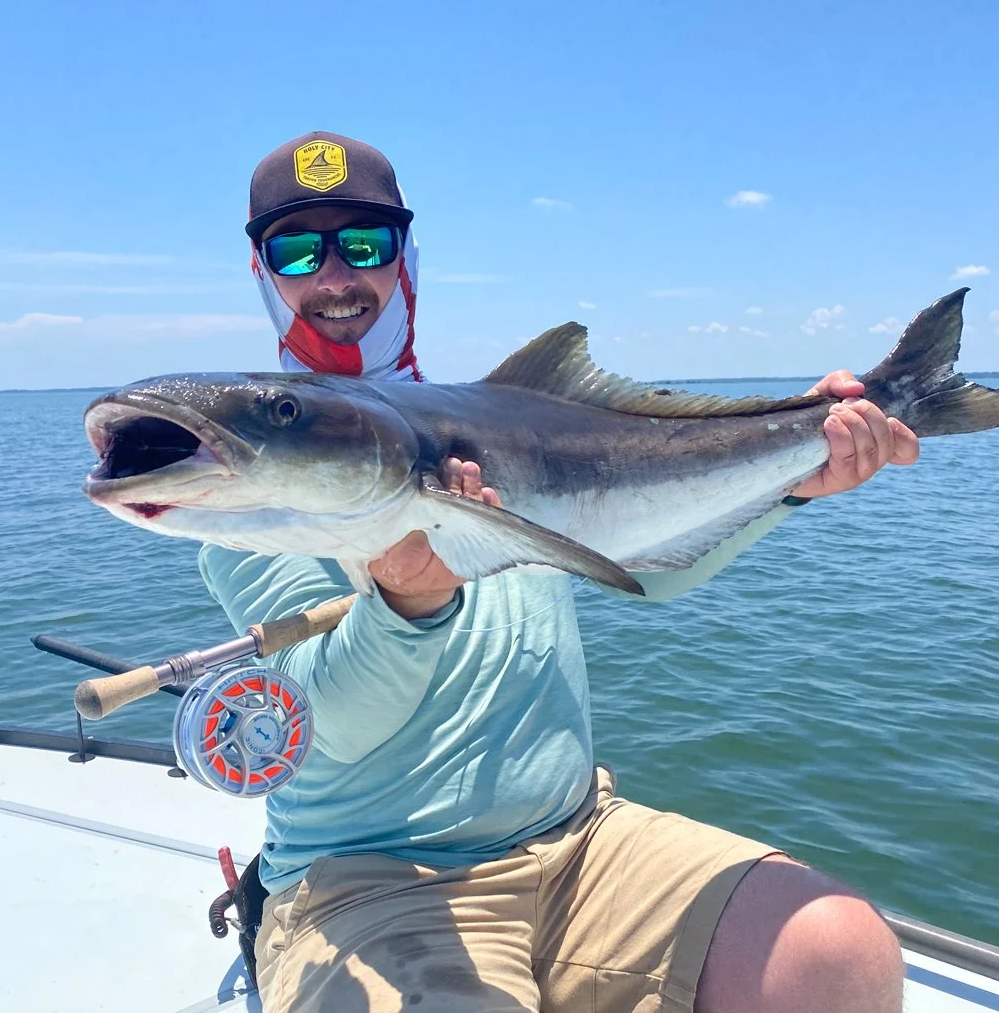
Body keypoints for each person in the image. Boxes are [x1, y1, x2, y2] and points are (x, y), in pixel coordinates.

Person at [200, 131, 919, 1013]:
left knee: (835, 950)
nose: (336, 276)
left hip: (579, 840)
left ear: (406, 260)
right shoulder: (238, 504)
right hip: (369, 882)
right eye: (298, 250)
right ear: (263, 273)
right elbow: (330, 727)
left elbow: (648, 574)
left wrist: (791, 484)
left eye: (366, 243)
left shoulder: (508, 420)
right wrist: (404, 607)